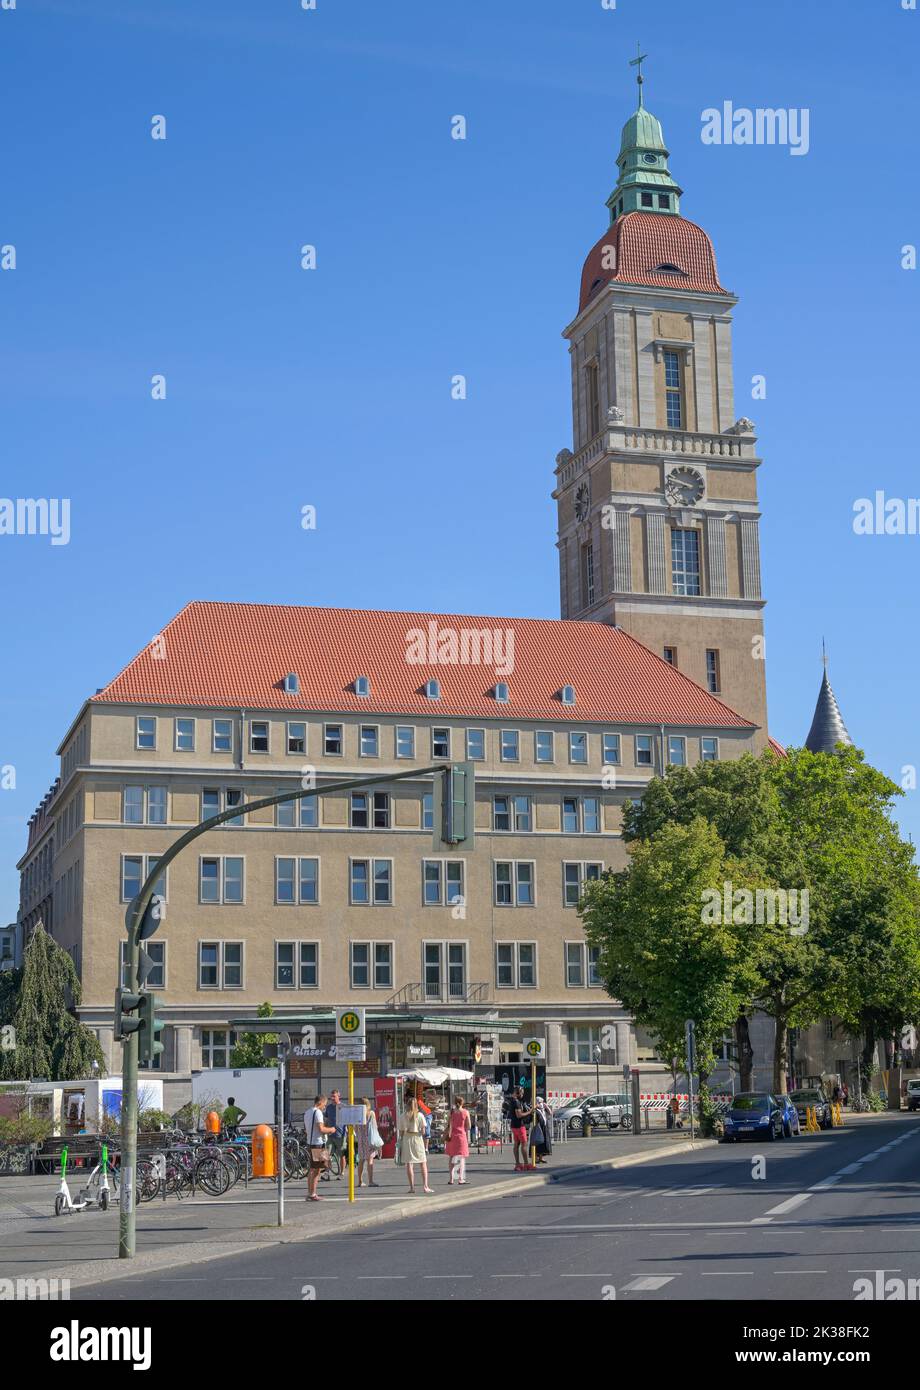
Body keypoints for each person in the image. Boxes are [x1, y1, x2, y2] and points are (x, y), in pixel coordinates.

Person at [398, 1097, 433, 1194]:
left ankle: (412, 1187)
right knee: (423, 1163)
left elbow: (401, 1132)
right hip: (417, 1139)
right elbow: (423, 1131)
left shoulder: (402, 1116)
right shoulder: (420, 1115)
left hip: (407, 1140)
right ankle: (425, 1186)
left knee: (409, 1164)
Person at [306, 1093, 336, 1202]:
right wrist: (331, 1130)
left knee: (313, 1169)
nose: (325, 1107)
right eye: (324, 1104)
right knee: (317, 1170)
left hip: (310, 1142)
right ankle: (312, 1194)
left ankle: (310, 1193)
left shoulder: (308, 1112)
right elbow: (321, 1129)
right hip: (318, 1143)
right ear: (320, 1102)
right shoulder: (318, 1112)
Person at [445, 1095, 471, 1185]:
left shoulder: (451, 1112)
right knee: (461, 1158)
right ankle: (460, 1178)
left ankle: (451, 1178)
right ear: (462, 1103)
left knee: (452, 1157)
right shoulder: (465, 1112)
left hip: (452, 1136)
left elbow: (448, 1123)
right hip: (461, 1136)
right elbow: (469, 1126)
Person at [356, 1097, 381, 1188]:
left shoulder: (357, 1114)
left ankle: (360, 1181)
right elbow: (375, 1127)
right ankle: (370, 1181)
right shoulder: (371, 1113)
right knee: (370, 1160)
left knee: (361, 1160)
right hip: (369, 1139)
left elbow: (355, 1128)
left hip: (361, 1139)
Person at [508, 1086, 533, 1171]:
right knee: (524, 1144)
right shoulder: (516, 1102)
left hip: (513, 1125)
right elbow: (519, 1115)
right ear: (518, 1093)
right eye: (522, 1093)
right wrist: (530, 1112)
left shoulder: (512, 1101)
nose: (523, 1094)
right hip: (519, 1126)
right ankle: (526, 1164)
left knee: (516, 1144)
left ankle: (518, 1164)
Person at [324, 1089, 346, 1179]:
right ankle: (327, 1172)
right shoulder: (329, 1108)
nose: (332, 1098)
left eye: (334, 1096)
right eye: (331, 1097)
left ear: (339, 1096)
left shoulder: (344, 1107)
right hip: (330, 1135)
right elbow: (326, 1119)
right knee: (326, 1154)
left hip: (340, 1135)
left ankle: (342, 1173)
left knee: (342, 1155)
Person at [533, 1096, 553, 1165]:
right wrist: (536, 1106)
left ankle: (541, 1157)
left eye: (542, 1102)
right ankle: (535, 1158)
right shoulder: (536, 1110)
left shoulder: (543, 1110)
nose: (542, 1104)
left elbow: (550, 1113)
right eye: (540, 1102)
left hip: (544, 1127)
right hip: (538, 1128)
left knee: (543, 1143)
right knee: (537, 1142)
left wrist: (546, 1107)